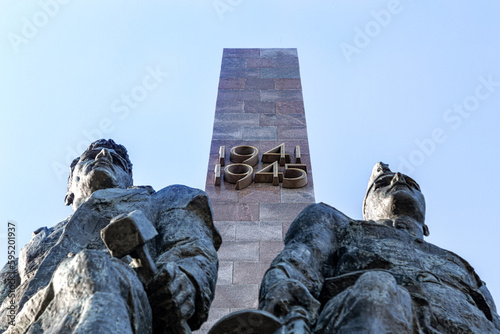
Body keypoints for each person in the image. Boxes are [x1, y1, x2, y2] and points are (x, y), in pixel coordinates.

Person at [0, 139, 221, 334]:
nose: (104, 155)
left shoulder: (164, 199)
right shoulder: (34, 244)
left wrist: (184, 281)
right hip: (21, 323)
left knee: (91, 266)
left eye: (118, 162)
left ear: (128, 181)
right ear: (68, 189)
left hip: (121, 299)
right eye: (90, 156)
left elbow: (193, 250)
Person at [258, 162, 500, 333]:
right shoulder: (334, 221)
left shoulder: (462, 266)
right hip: (376, 314)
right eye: (383, 183)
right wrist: (282, 301)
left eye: (411, 182)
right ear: (367, 210)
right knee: (378, 286)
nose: (397, 179)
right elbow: (295, 268)